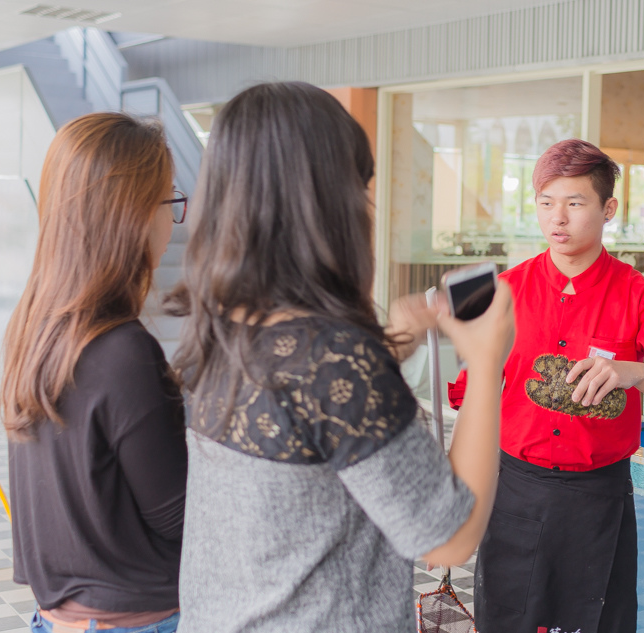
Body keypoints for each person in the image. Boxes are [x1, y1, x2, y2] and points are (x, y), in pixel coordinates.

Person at [165, 81, 515, 633]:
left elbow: (310, 426)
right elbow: (449, 538)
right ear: (331, 204)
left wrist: (385, 345)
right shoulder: (335, 360)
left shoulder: (224, 326)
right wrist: (487, 364)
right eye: (363, 188)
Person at [448, 139, 644, 633]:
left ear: (609, 208)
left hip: (598, 500)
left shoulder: (642, 296)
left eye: (575, 203)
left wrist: (636, 372)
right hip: (514, 493)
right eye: (547, 203)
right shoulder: (502, 290)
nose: (558, 219)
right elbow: (468, 397)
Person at [0, 112, 188, 633]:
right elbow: (180, 517)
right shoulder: (123, 351)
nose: (171, 225)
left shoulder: (37, 328)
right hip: (137, 621)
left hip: (57, 616)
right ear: (129, 214)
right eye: (169, 201)